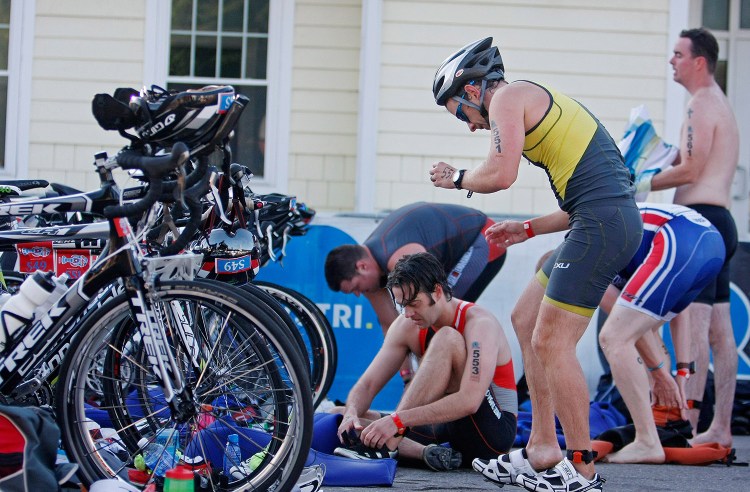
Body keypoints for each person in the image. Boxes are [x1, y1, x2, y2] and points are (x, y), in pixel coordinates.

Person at [429, 37, 642, 491]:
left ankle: (582, 467)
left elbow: (500, 174)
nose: (468, 126)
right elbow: (593, 195)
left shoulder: (506, 95)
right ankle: (543, 446)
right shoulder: (527, 101)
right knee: (526, 317)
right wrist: (527, 229)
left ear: (471, 91)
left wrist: (457, 179)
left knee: (551, 341)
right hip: (599, 219)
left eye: (460, 114)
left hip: (602, 224)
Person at [640, 27, 740, 447]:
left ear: (699, 61)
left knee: (695, 324)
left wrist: (638, 180)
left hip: (702, 221)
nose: (671, 61)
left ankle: (691, 425)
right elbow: (686, 158)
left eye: (678, 54)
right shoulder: (719, 104)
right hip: (720, 219)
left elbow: (691, 170)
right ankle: (721, 428)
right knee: (720, 329)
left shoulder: (701, 106)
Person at [332, 252, 518, 470]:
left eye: (414, 304)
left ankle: (390, 445)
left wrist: (397, 421)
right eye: (403, 305)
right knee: (340, 417)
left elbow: (470, 401)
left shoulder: (479, 324)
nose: (408, 313)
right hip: (445, 428)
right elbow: (368, 384)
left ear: (437, 292)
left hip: (492, 438)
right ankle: (423, 453)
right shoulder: (406, 325)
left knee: (447, 338)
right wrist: (352, 413)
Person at [596, 203, 724, 463]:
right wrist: (681, 373)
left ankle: (647, 440)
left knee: (614, 337)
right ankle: (664, 421)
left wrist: (659, 375)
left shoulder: (584, 260)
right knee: (645, 327)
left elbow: (625, 333)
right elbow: (678, 315)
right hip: (710, 241)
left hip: (678, 235)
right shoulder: (614, 249)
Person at [325, 202, 506, 383]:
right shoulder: (368, 272)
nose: (358, 294)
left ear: (362, 267)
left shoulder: (399, 257)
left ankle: (467, 385)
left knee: (440, 315)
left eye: (356, 287)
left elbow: (432, 310)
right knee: (426, 322)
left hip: (484, 237)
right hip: (453, 246)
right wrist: (407, 378)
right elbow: (391, 325)